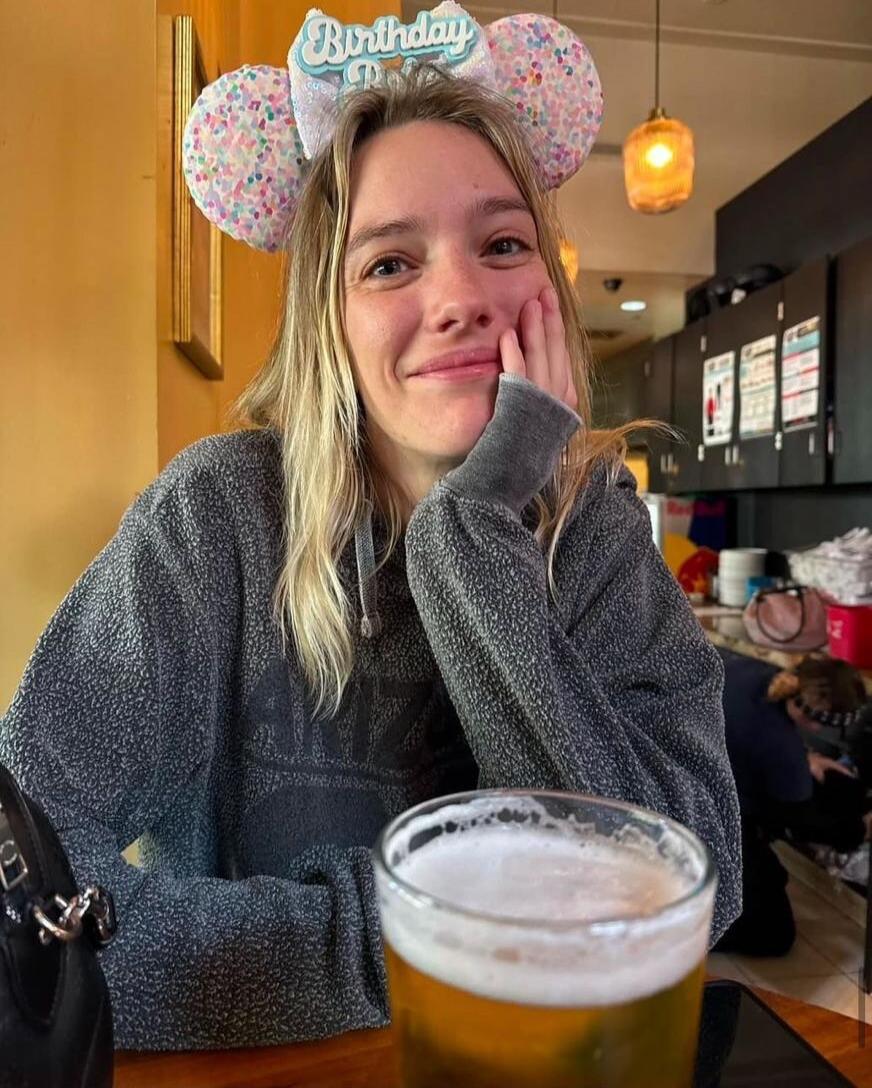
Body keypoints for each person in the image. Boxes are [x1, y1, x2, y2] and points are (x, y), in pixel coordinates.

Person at [0, 7, 741, 1051]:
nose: (459, 297)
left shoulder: (598, 533)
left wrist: (469, 532)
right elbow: (21, 887)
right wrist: (400, 940)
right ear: (327, 323)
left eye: (500, 243)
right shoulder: (217, 517)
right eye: (389, 263)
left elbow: (689, 887)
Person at [715, 648, 870, 957]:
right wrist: (860, 830)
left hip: (678, 791)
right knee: (774, 934)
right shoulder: (779, 745)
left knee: (769, 876)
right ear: (817, 720)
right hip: (718, 820)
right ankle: (691, 937)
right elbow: (800, 820)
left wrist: (806, 757)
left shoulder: (751, 671)